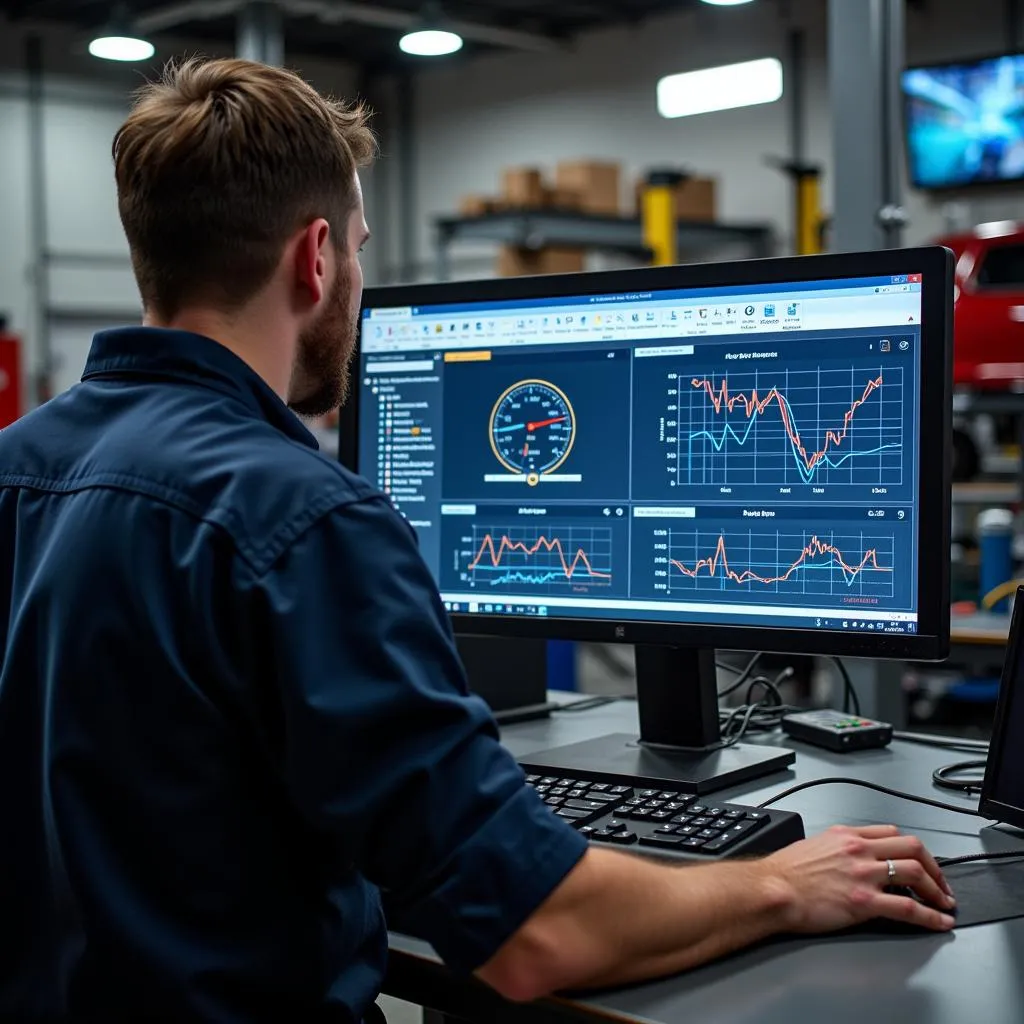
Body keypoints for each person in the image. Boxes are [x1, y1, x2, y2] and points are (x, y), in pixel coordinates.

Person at [0, 57, 956, 1024]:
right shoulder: (302, 519)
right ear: (318, 256)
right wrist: (782, 885)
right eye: (362, 251)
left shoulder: (13, 469)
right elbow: (535, 935)